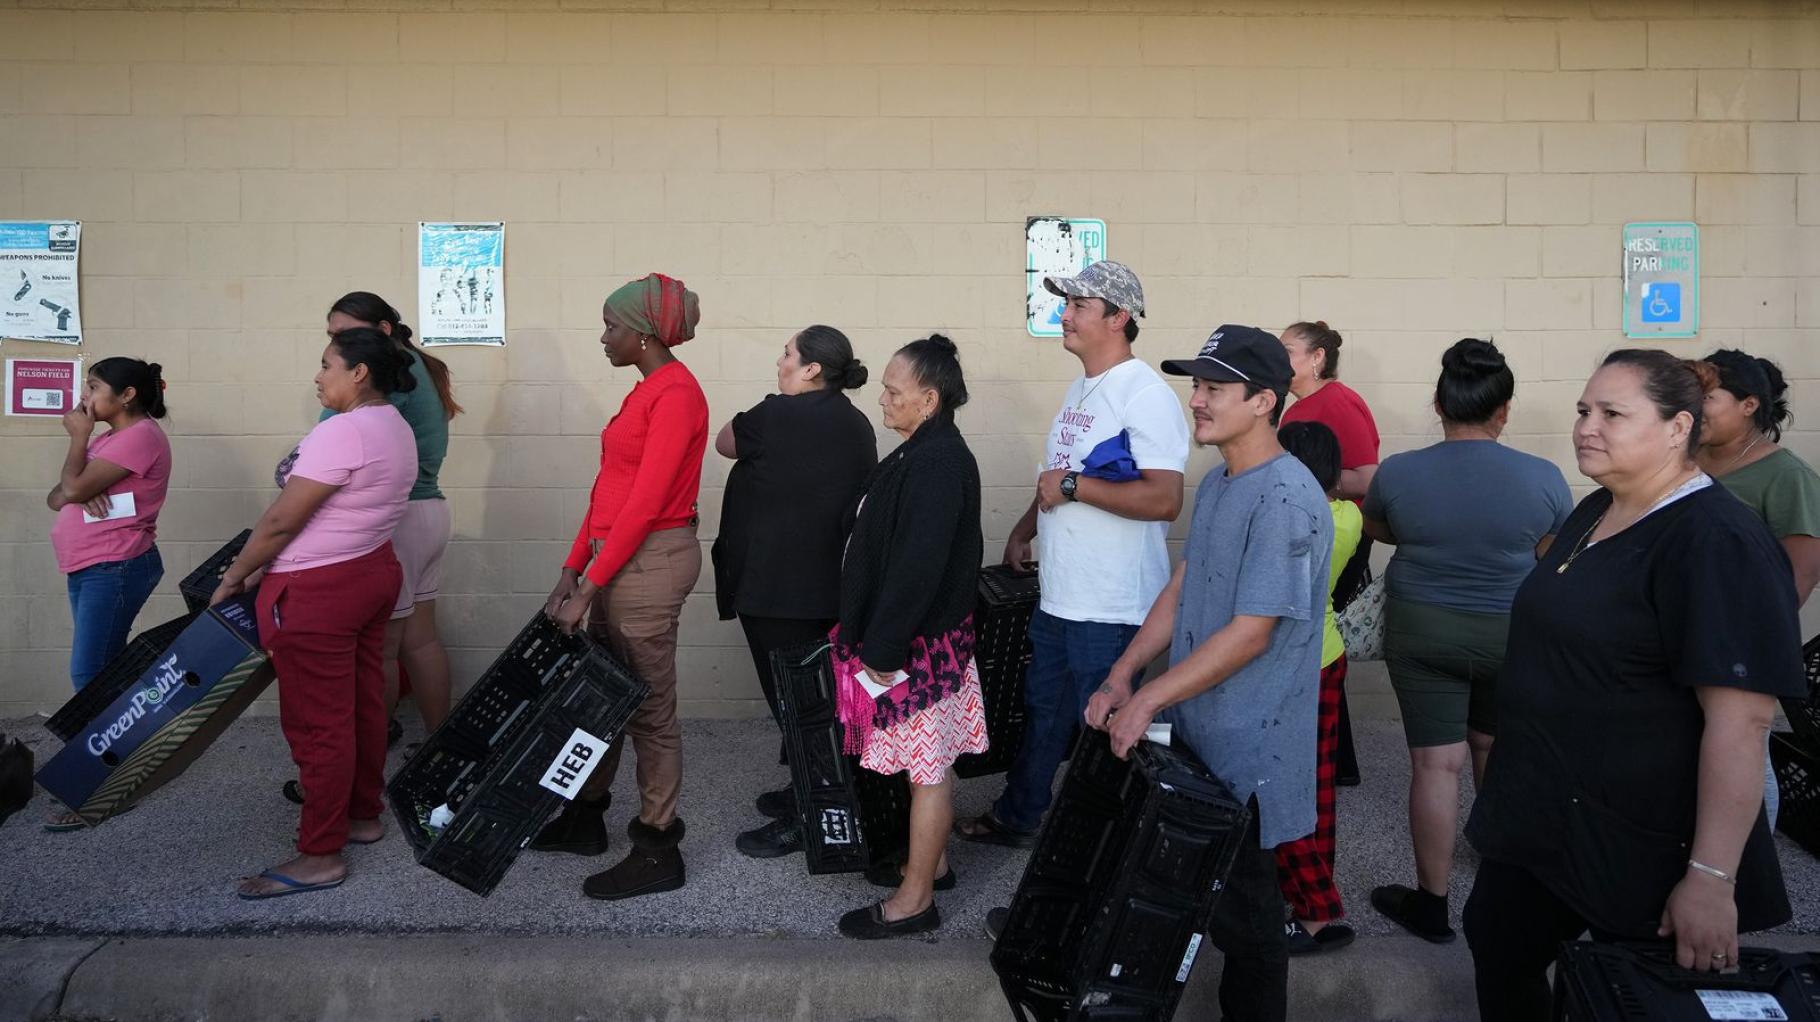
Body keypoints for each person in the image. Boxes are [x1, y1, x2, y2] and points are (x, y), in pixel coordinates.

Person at [1462, 350, 1804, 1021]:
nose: (1587, 426)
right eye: (1585, 410)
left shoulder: (1715, 540)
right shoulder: (1598, 509)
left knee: (1626, 996)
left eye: (1612, 413)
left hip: (1643, 839)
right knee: (1498, 942)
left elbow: (1743, 723)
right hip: (1546, 814)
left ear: (1678, 428)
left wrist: (1710, 880)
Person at [1087, 325, 1332, 1022]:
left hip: (1249, 754)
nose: (1196, 400)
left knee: (1252, 928)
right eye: (1196, 385)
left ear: (1263, 400)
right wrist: (1124, 674)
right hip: (1202, 737)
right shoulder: (1223, 479)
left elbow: (1252, 634)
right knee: (1204, 900)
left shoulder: (1286, 498)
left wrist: (1150, 699)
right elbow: (1186, 585)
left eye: (1213, 389)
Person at [957, 260, 1188, 849]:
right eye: (1068, 303)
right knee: (1045, 713)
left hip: (1112, 607)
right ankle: (1019, 816)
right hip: (1062, 595)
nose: (1066, 314)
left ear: (1120, 318)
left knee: (1111, 729)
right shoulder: (1080, 389)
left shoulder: (1146, 395)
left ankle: (1110, 844)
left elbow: (1164, 498)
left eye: (1080, 305)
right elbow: (1058, 477)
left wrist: (1070, 489)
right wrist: (1025, 526)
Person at [1362, 338, 1571, 944]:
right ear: (1503, 409)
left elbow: (1380, 527)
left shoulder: (1399, 472)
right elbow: (1551, 558)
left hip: (1422, 627)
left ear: (1438, 402)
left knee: (1435, 762)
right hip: (1509, 632)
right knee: (1492, 745)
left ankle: (1431, 907)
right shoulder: (1543, 478)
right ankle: (1505, 878)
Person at [209, 328, 416, 898]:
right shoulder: (393, 426)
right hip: (370, 573)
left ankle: (321, 854)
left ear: (359, 373)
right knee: (361, 706)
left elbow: (281, 519)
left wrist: (235, 574)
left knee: (318, 723)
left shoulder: (345, 431)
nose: (317, 375)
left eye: (327, 364)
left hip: (319, 588)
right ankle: (362, 817)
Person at [531, 273, 708, 902]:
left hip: (649, 562)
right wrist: (570, 569)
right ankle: (584, 821)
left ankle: (659, 850)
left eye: (611, 326)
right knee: (598, 700)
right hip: (616, 560)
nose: (603, 337)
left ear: (641, 334)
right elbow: (609, 494)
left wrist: (591, 584)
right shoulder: (644, 393)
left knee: (649, 714)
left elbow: (647, 503)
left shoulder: (677, 395)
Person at [831, 334, 985, 939]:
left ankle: (916, 898)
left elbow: (917, 567)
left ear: (929, 398)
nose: (882, 401)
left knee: (927, 773)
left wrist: (883, 652)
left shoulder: (940, 461)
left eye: (893, 393)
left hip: (919, 652)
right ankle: (934, 865)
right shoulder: (921, 449)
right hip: (913, 645)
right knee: (923, 769)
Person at [282, 293, 460, 810]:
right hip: (430, 512)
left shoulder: (383, 379)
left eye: (345, 335)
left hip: (400, 519)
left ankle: (365, 770)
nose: (334, 346)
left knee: (381, 650)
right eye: (332, 334)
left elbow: (322, 449)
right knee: (420, 641)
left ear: (380, 334)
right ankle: (439, 748)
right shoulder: (418, 369)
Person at [713, 325, 877, 858]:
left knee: (797, 708)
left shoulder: (777, 414)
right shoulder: (856, 423)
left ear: (811, 369)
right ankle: (808, 791)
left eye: (788, 354)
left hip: (775, 592)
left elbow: (724, 442)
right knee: (818, 705)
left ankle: (813, 817)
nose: (779, 361)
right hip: (828, 592)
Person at [44, 357, 172, 831]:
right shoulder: (110, 439)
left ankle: (104, 788)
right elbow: (57, 495)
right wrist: (77, 487)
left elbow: (72, 485)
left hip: (114, 567)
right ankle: (126, 767)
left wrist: (77, 447)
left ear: (126, 396)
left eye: (94, 386)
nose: (85, 396)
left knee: (90, 675)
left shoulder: (138, 435)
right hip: (92, 566)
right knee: (105, 675)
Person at [1695, 348, 1819, 829]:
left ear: (1749, 405)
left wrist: (1748, 641)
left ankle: (1749, 866)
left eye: (1708, 396)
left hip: (1741, 643)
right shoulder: (1684, 460)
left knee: (1744, 752)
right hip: (1683, 633)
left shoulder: (1787, 476)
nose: (1695, 405)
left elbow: (1800, 575)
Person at [1272, 421, 1360, 955]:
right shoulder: (1348, 516)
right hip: (1327, 657)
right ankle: (1310, 897)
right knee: (1317, 786)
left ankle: (1316, 909)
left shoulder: (1294, 517)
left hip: (1289, 665)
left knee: (1283, 791)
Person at [1278, 321, 1379, 786]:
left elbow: (1367, 477)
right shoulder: (1298, 406)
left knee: (1317, 637)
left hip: (1332, 535)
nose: (1279, 359)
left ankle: (1334, 763)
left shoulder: (1337, 402)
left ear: (1316, 357)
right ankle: (1335, 760)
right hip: (1306, 528)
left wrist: (1314, 483)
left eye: (1288, 350)